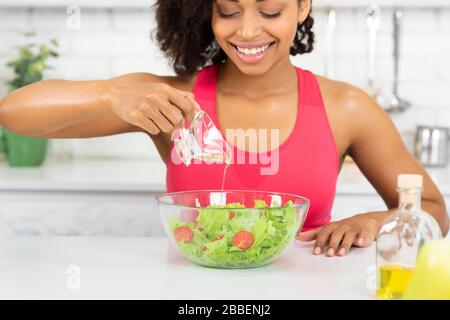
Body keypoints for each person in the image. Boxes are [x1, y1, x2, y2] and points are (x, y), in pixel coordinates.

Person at [0, 0, 448, 257]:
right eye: (228, 11)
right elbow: (14, 112)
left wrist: (374, 219)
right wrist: (108, 93)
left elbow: (432, 209)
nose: (247, 30)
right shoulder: (172, 102)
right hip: (195, 295)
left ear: (302, 6)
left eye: (270, 10)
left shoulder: (346, 107)